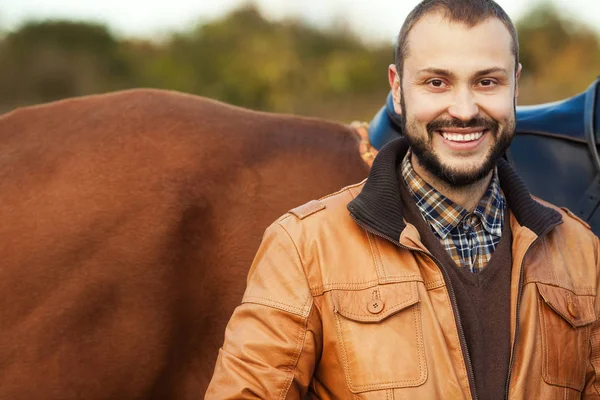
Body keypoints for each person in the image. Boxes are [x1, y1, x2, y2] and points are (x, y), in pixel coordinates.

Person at [206, 0, 600, 398]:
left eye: (487, 82)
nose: (464, 111)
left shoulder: (582, 251)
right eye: (436, 82)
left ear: (515, 85)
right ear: (397, 89)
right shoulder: (304, 247)